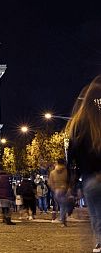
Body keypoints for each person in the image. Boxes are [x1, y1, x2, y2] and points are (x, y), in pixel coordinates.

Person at [66, 76, 101, 252]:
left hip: (91, 179)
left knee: (96, 215)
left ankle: (99, 243)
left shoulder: (77, 123)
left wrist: (72, 183)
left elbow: (72, 156)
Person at [49, 158, 71, 226]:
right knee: (63, 206)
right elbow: (69, 181)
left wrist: (54, 189)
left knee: (61, 205)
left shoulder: (52, 172)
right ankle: (63, 220)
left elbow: (50, 182)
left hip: (57, 191)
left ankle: (62, 219)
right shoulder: (66, 171)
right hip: (64, 189)